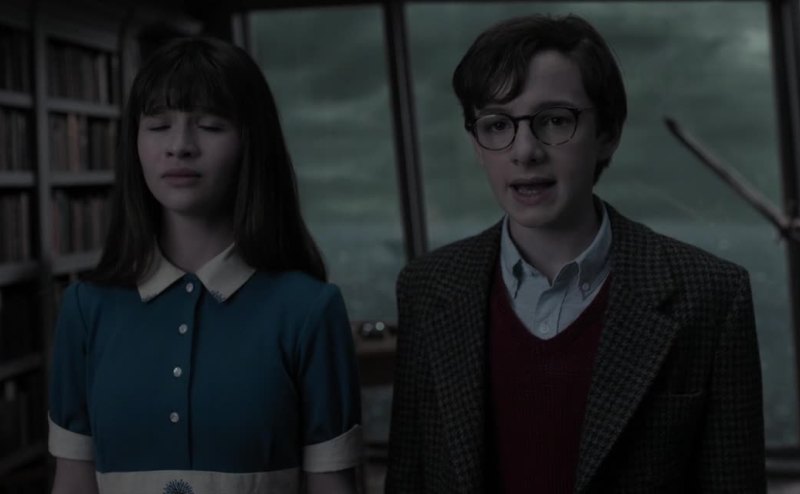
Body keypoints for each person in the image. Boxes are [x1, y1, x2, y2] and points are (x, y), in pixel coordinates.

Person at [386, 13, 765, 494]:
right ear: (477, 145)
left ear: (607, 133)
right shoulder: (426, 288)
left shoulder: (711, 296)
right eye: (497, 124)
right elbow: (409, 479)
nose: (525, 151)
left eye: (554, 120)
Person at [48, 36, 362, 494]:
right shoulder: (85, 309)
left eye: (210, 125)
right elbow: (73, 483)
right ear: (134, 142)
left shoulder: (309, 310)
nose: (180, 146)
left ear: (251, 142)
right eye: (158, 125)